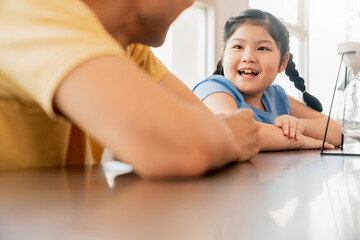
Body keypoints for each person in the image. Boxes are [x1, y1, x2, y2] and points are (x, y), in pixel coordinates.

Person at [0, 0, 260, 178]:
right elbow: (178, 145)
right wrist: (219, 136)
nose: (190, 1)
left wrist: (214, 135)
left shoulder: (126, 47)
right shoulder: (28, 9)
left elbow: (206, 125)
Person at [193, 9, 342, 151]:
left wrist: (300, 125)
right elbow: (234, 131)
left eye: (262, 48)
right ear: (223, 55)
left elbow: (338, 132)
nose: (248, 57)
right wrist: (300, 140)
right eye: (238, 46)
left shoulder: (276, 96)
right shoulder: (212, 89)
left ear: (283, 62)